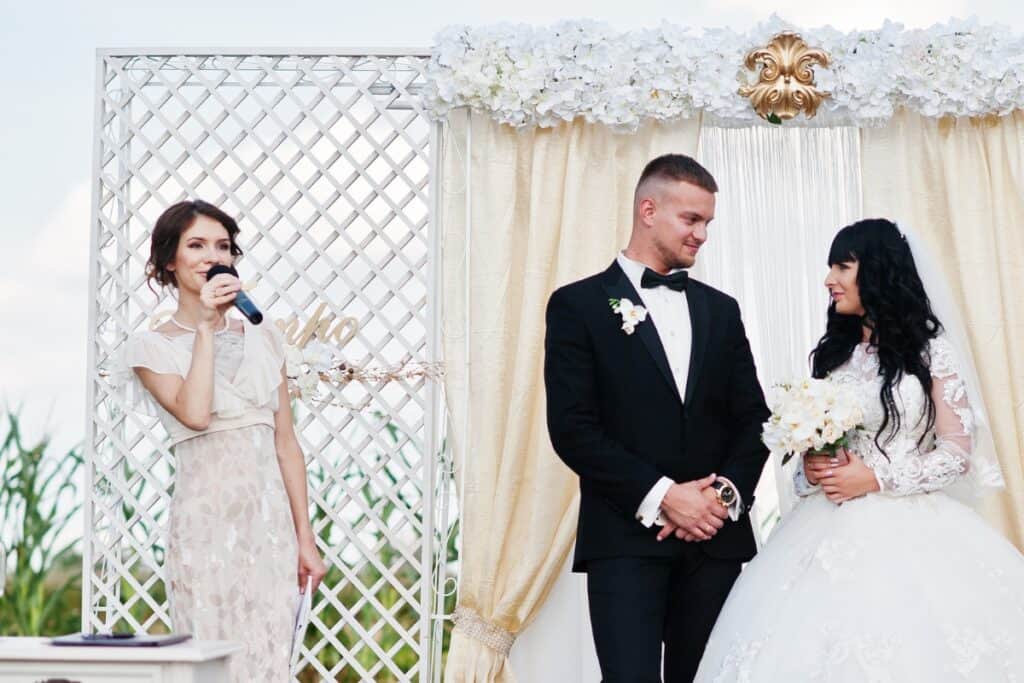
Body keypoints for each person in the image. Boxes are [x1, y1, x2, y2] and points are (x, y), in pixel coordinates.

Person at [695, 218, 1024, 681]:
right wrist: (812, 470)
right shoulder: (836, 356)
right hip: (824, 526)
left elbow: (957, 452)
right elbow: (812, 458)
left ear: (877, 271)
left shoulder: (931, 351)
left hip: (911, 525)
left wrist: (876, 478)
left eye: (841, 266)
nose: (829, 279)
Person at [544, 154, 770, 682]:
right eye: (691, 220)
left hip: (716, 542)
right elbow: (573, 428)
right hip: (624, 542)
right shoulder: (576, 306)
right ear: (648, 209)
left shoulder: (722, 310)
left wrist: (722, 499)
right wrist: (666, 496)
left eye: (708, 223)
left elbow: (754, 418)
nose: (701, 235)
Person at [112, 200, 327, 681]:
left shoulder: (263, 333)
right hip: (205, 528)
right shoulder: (151, 347)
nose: (212, 255)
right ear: (169, 260)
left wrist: (304, 537)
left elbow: (286, 443)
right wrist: (206, 328)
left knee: (269, 662)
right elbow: (195, 414)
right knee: (210, 663)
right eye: (196, 245)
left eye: (222, 246)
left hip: (268, 528)